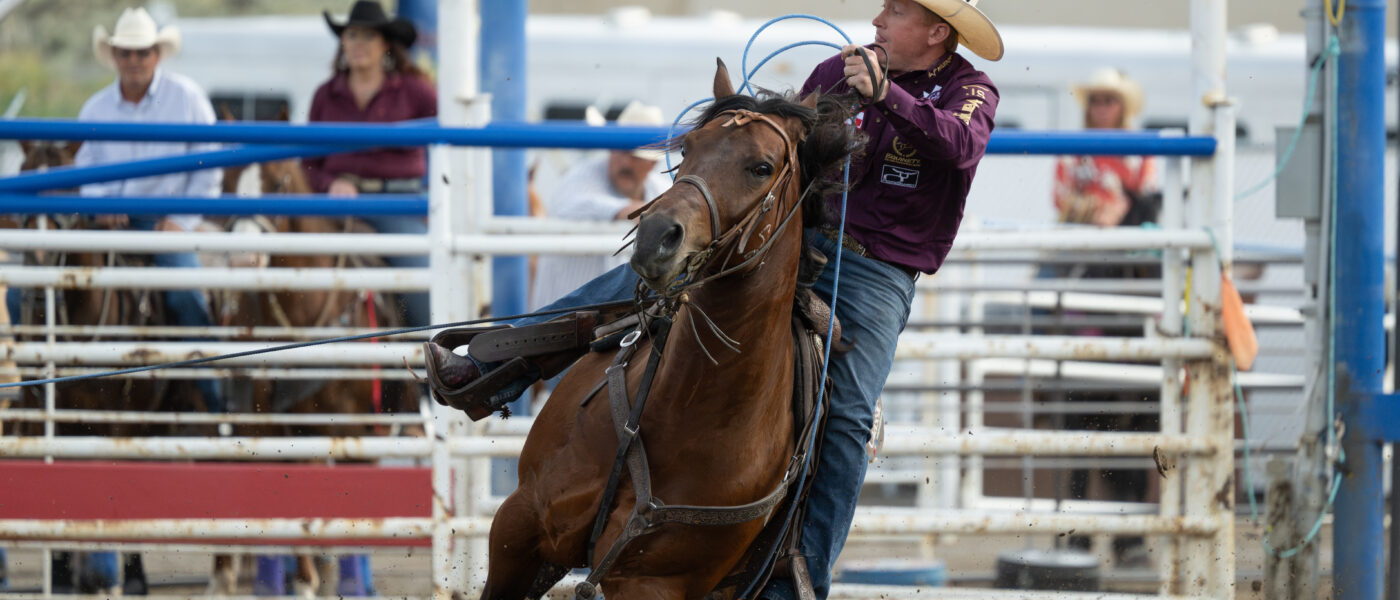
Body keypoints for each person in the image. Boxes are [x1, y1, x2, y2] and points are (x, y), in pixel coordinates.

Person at [424, 1, 1001, 598]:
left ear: (937, 32)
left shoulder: (971, 92)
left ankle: (801, 577)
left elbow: (958, 146)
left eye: (897, 12)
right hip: (799, 237)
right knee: (645, 280)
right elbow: (788, 152)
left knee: (849, 413)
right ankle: (495, 367)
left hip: (877, 273)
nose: (879, 20)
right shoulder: (837, 73)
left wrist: (889, 100)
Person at [51, 7, 224, 594]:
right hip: (111, 228)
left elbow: (208, 172)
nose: (133, 61)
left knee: (186, 297)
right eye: (125, 53)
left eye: (141, 52)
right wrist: (103, 210)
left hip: (163, 228)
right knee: (59, 291)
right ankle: (56, 374)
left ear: (155, 55)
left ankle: (209, 392)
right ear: (118, 57)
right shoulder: (97, 108)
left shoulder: (187, 99)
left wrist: (178, 222)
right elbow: (85, 170)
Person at [1049, 68, 1159, 568]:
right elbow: (1061, 203)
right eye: (1096, 100)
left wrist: (1114, 211)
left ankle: (1126, 535)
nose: (1102, 108)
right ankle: (1076, 534)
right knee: (1075, 414)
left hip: (1127, 292)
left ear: (1123, 105)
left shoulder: (1139, 152)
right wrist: (1093, 209)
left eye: (1110, 100)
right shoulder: (1075, 150)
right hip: (1089, 289)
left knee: (1137, 415)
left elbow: (1149, 207)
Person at [303, 0, 437, 329]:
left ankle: (433, 363)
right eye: (351, 36)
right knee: (293, 262)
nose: (357, 44)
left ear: (384, 45)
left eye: (367, 36)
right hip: (336, 204)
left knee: (422, 283)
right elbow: (308, 162)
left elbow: (450, 137)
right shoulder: (325, 94)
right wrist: (329, 184)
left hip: (397, 203)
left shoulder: (415, 91)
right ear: (342, 43)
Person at [528, 100, 670, 310]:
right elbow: (572, 203)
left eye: (635, 156)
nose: (625, 163)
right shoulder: (579, 178)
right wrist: (632, 211)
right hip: (557, 321)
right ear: (610, 150)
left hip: (607, 323)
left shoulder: (660, 190)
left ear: (652, 163)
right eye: (620, 151)